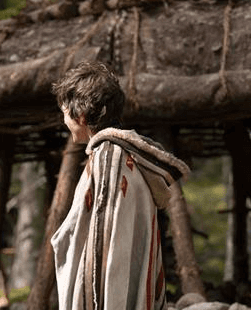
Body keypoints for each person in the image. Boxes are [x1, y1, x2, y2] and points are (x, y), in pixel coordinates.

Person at [50, 61, 190, 309]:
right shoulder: (123, 157)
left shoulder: (109, 161)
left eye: (64, 112)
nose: (63, 121)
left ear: (80, 115)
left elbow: (102, 250)